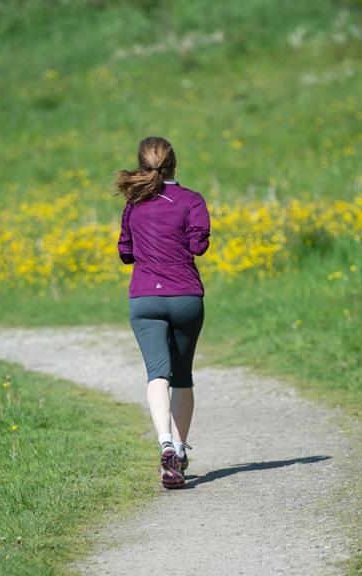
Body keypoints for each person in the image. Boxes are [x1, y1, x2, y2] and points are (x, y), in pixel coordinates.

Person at [115, 136, 211, 489]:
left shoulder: (133, 203)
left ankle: (165, 444)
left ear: (142, 165)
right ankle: (181, 452)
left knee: (157, 374)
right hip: (186, 296)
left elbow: (125, 252)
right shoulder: (192, 200)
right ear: (175, 163)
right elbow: (198, 245)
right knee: (182, 376)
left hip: (145, 299)